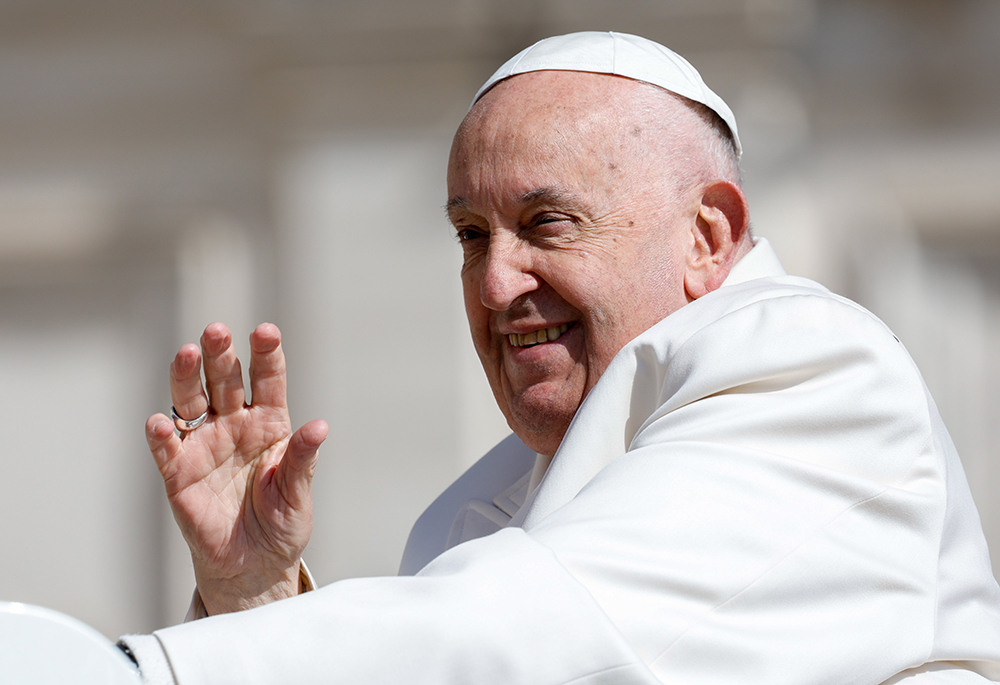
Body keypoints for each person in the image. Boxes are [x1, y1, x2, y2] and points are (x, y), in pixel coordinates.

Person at [118, 32, 1000, 684]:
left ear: (707, 236)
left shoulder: (813, 369)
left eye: (547, 223)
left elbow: (545, 638)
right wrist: (255, 597)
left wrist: (133, 671)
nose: (496, 284)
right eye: (471, 234)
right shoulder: (467, 517)